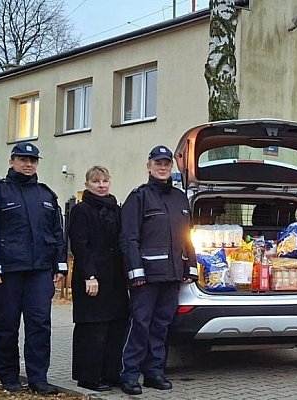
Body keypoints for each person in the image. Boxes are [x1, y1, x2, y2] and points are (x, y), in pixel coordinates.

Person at [0, 142, 67, 395]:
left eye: (33, 160)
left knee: (39, 325)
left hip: (39, 272)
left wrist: (60, 266)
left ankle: (38, 379)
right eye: (23, 159)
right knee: (7, 325)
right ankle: (9, 376)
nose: (28, 164)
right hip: (8, 272)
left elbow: (57, 234)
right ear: (12, 161)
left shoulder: (46, 196)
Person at [118, 145, 198, 396]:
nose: (162, 168)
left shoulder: (180, 198)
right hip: (146, 277)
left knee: (161, 325)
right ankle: (129, 374)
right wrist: (135, 271)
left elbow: (188, 235)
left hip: (173, 274)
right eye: (158, 163)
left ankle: (154, 372)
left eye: (166, 164)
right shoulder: (138, 197)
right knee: (140, 325)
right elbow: (129, 238)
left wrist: (191, 265)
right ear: (149, 166)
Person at [67, 166, 130, 392]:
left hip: (115, 278)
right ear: (87, 185)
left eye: (105, 181)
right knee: (93, 329)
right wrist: (89, 275)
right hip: (92, 276)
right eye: (96, 182)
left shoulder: (115, 208)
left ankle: (111, 374)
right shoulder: (81, 210)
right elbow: (80, 247)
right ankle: (89, 377)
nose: (102, 185)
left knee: (115, 328)